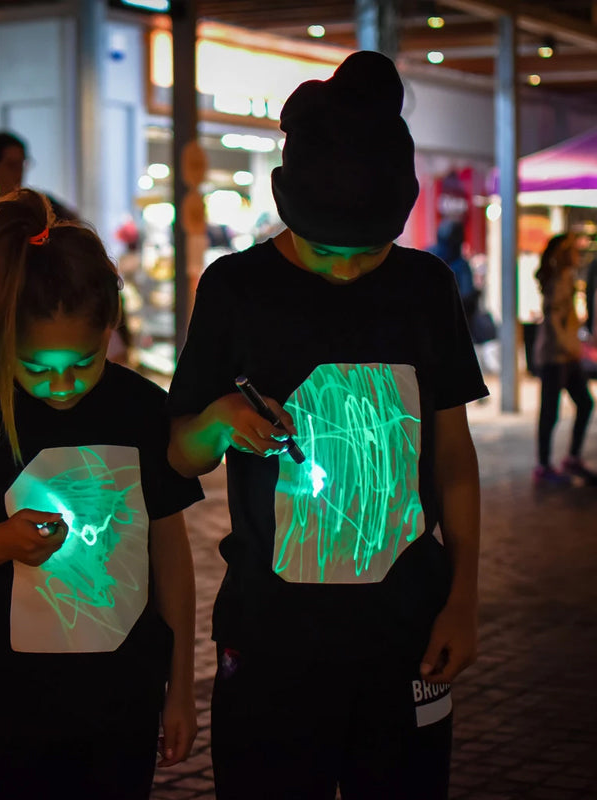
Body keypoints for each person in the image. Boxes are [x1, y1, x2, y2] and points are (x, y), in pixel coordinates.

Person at [167, 51, 486, 800]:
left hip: (405, 630)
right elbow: (178, 457)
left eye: (365, 249)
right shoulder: (235, 289)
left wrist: (463, 599)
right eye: (322, 249)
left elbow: (453, 459)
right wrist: (219, 421)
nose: (344, 269)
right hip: (272, 637)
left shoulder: (426, 288)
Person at [0, 189, 202, 800]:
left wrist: (180, 687)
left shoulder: (141, 409)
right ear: (2, 341)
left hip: (123, 692)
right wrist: (2, 541)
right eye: (37, 368)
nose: (63, 385)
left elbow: (170, 555)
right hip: (10, 697)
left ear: (110, 330)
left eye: (83, 361)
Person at [0, 130, 78, 330]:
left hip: (37, 303)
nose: (18, 172)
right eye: (11, 165)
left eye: (22, 164)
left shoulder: (42, 206)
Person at [532, 233, 596, 486]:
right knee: (551, 411)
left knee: (584, 403)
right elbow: (554, 322)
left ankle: (570, 457)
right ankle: (544, 466)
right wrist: (569, 345)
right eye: (573, 249)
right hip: (556, 356)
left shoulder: (567, 278)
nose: (578, 253)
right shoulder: (559, 281)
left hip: (567, 355)